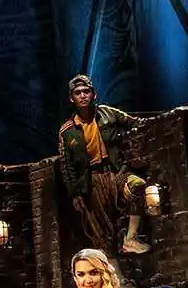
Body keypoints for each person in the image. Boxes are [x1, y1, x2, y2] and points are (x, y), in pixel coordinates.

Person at [57, 73, 148, 255]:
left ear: (94, 94)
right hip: (92, 181)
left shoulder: (108, 113)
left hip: (116, 171)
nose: (83, 96)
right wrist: (75, 194)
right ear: (71, 98)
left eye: (86, 91)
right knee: (102, 230)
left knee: (137, 185)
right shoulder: (67, 131)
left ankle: (131, 238)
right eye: (78, 93)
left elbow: (136, 123)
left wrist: (134, 150)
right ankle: (113, 268)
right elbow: (66, 166)